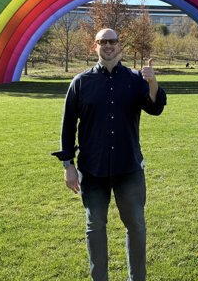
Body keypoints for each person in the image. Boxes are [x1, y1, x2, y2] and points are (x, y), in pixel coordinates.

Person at [52, 28, 167, 281]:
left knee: (136, 226)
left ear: (120, 46)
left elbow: (155, 108)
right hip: (93, 170)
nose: (108, 46)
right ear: (95, 46)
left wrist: (153, 83)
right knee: (95, 228)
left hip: (129, 168)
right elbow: (68, 126)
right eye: (102, 42)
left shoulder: (135, 80)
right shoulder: (81, 83)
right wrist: (68, 165)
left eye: (112, 41)